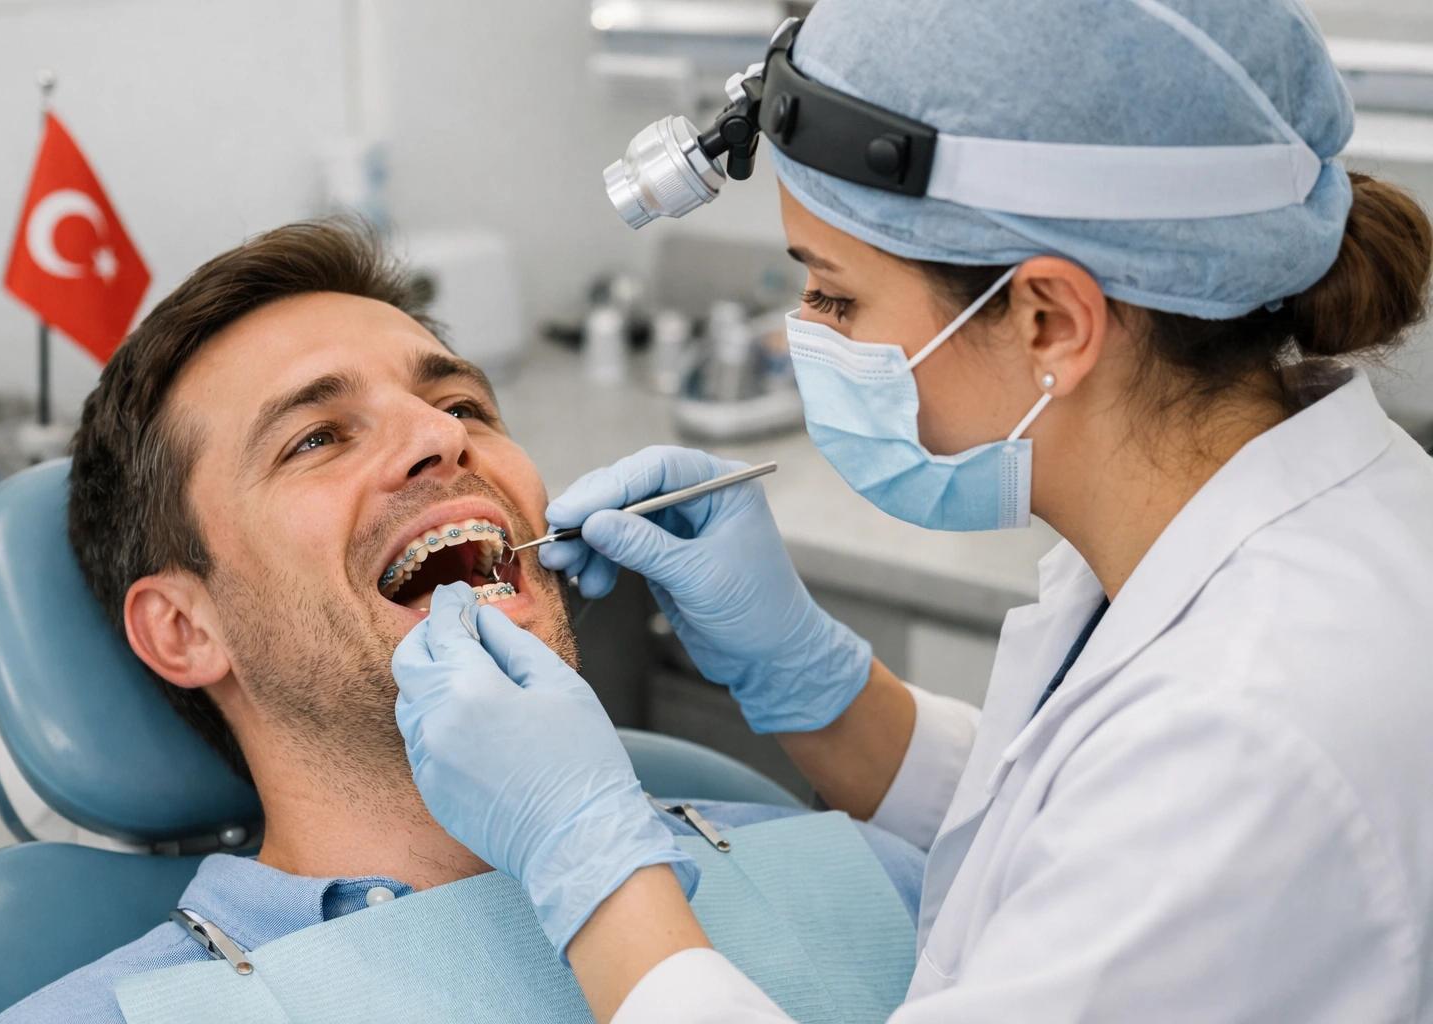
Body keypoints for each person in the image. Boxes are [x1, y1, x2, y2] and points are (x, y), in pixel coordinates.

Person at [391, 0, 1433, 1020]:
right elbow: (1055, 827)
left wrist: (589, 856)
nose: (808, 338)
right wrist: (817, 686)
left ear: (1050, 320)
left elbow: (1152, 816)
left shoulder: (1247, 730)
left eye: (837, 297)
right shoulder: (1221, 533)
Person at [0, 220, 925, 1023]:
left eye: (461, 404)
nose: (444, 438)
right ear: (185, 631)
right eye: (315, 437)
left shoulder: (881, 876)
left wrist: (821, 685)